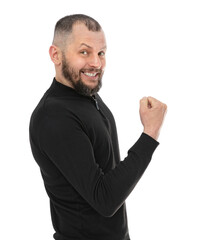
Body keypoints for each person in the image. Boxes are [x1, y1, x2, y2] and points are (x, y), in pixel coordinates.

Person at [29, 14, 167, 240]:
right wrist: (150, 134)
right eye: (84, 52)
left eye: (101, 53)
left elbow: (108, 178)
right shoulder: (54, 116)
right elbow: (105, 200)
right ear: (56, 55)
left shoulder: (86, 96)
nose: (96, 63)